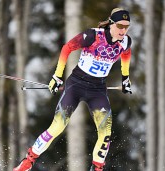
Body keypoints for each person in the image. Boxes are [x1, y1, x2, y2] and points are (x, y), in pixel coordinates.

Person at [13, 7, 132, 171]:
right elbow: (67, 48)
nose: (123, 30)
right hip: (77, 84)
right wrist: (57, 76)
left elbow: (126, 55)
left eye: (127, 26)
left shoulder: (125, 41)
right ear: (111, 24)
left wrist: (125, 78)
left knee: (105, 133)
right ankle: (28, 161)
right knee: (58, 126)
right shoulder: (93, 35)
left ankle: (97, 169)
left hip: (98, 90)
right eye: (120, 26)